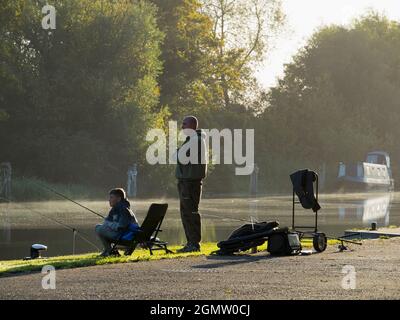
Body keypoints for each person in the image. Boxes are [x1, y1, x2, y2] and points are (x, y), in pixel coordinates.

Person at [176, 116, 207, 252]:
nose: (182, 126)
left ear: (192, 126)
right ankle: (191, 243)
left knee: (190, 212)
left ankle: (194, 244)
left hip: (190, 182)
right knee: (186, 212)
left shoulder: (196, 140)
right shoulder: (192, 140)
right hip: (186, 182)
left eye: (184, 124)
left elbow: (181, 157)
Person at [95, 188, 138, 257]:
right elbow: (107, 221)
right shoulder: (115, 208)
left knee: (99, 229)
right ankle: (107, 251)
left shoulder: (123, 209)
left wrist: (109, 224)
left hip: (125, 236)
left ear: (119, 199)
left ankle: (111, 252)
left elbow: (121, 226)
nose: (109, 200)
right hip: (121, 234)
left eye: (111, 197)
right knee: (99, 227)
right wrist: (109, 224)